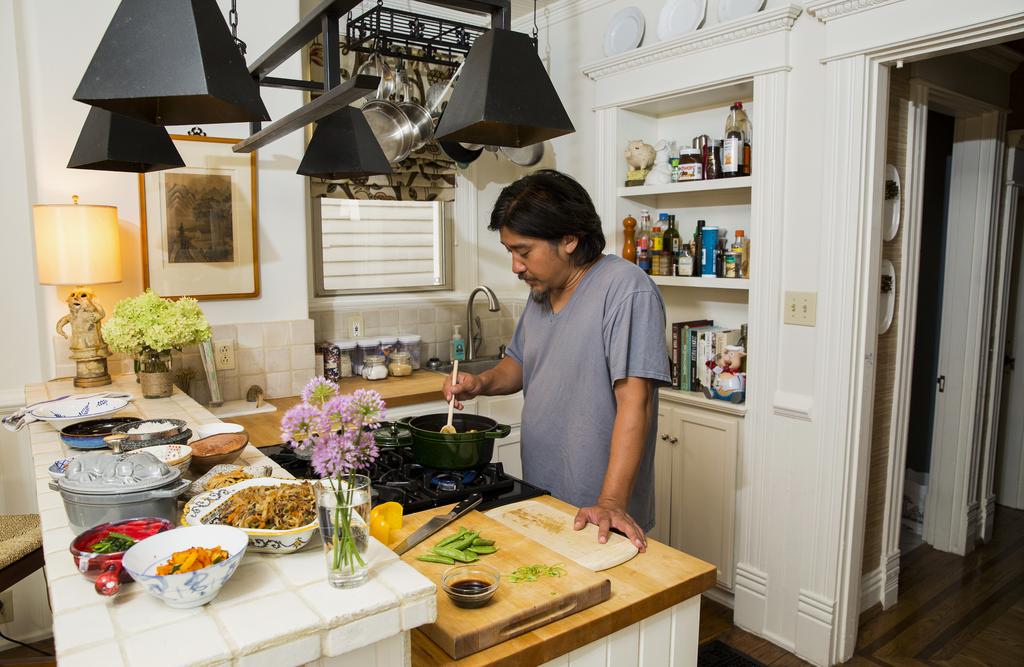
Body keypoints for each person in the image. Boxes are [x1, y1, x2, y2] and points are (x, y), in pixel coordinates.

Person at [443, 170, 670, 551]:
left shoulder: (627, 290)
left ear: (569, 239)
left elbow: (636, 403)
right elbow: (520, 362)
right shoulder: (543, 290)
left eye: (523, 251)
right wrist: (481, 383)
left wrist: (611, 503)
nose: (515, 266)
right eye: (510, 251)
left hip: (600, 510)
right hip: (544, 494)